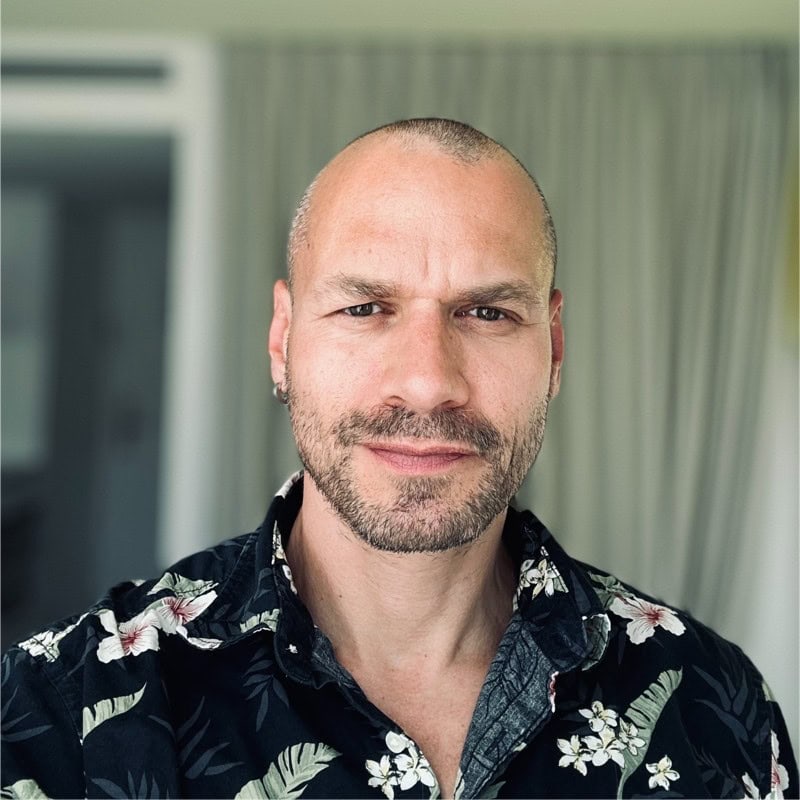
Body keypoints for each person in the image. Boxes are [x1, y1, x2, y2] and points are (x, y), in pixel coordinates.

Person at [1, 118, 795, 800]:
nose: (427, 381)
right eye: (365, 308)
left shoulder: (711, 706)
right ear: (284, 341)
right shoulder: (62, 715)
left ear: (552, 349)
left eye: (486, 312)